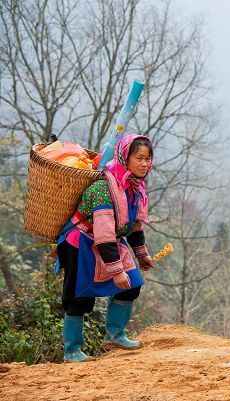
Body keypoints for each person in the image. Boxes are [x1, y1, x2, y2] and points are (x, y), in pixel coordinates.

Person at [55, 134, 157, 362]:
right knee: (79, 297)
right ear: (124, 158)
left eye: (148, 158)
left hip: (110, 241)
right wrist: (117, 271)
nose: (145, 164)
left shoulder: (135, 187)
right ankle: (72, 350)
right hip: (81, 242)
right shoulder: (104, 188)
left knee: (131, 285)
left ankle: (115, 335)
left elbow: (134, 225)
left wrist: (142, 255)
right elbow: (104, 234)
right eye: (139, 158)